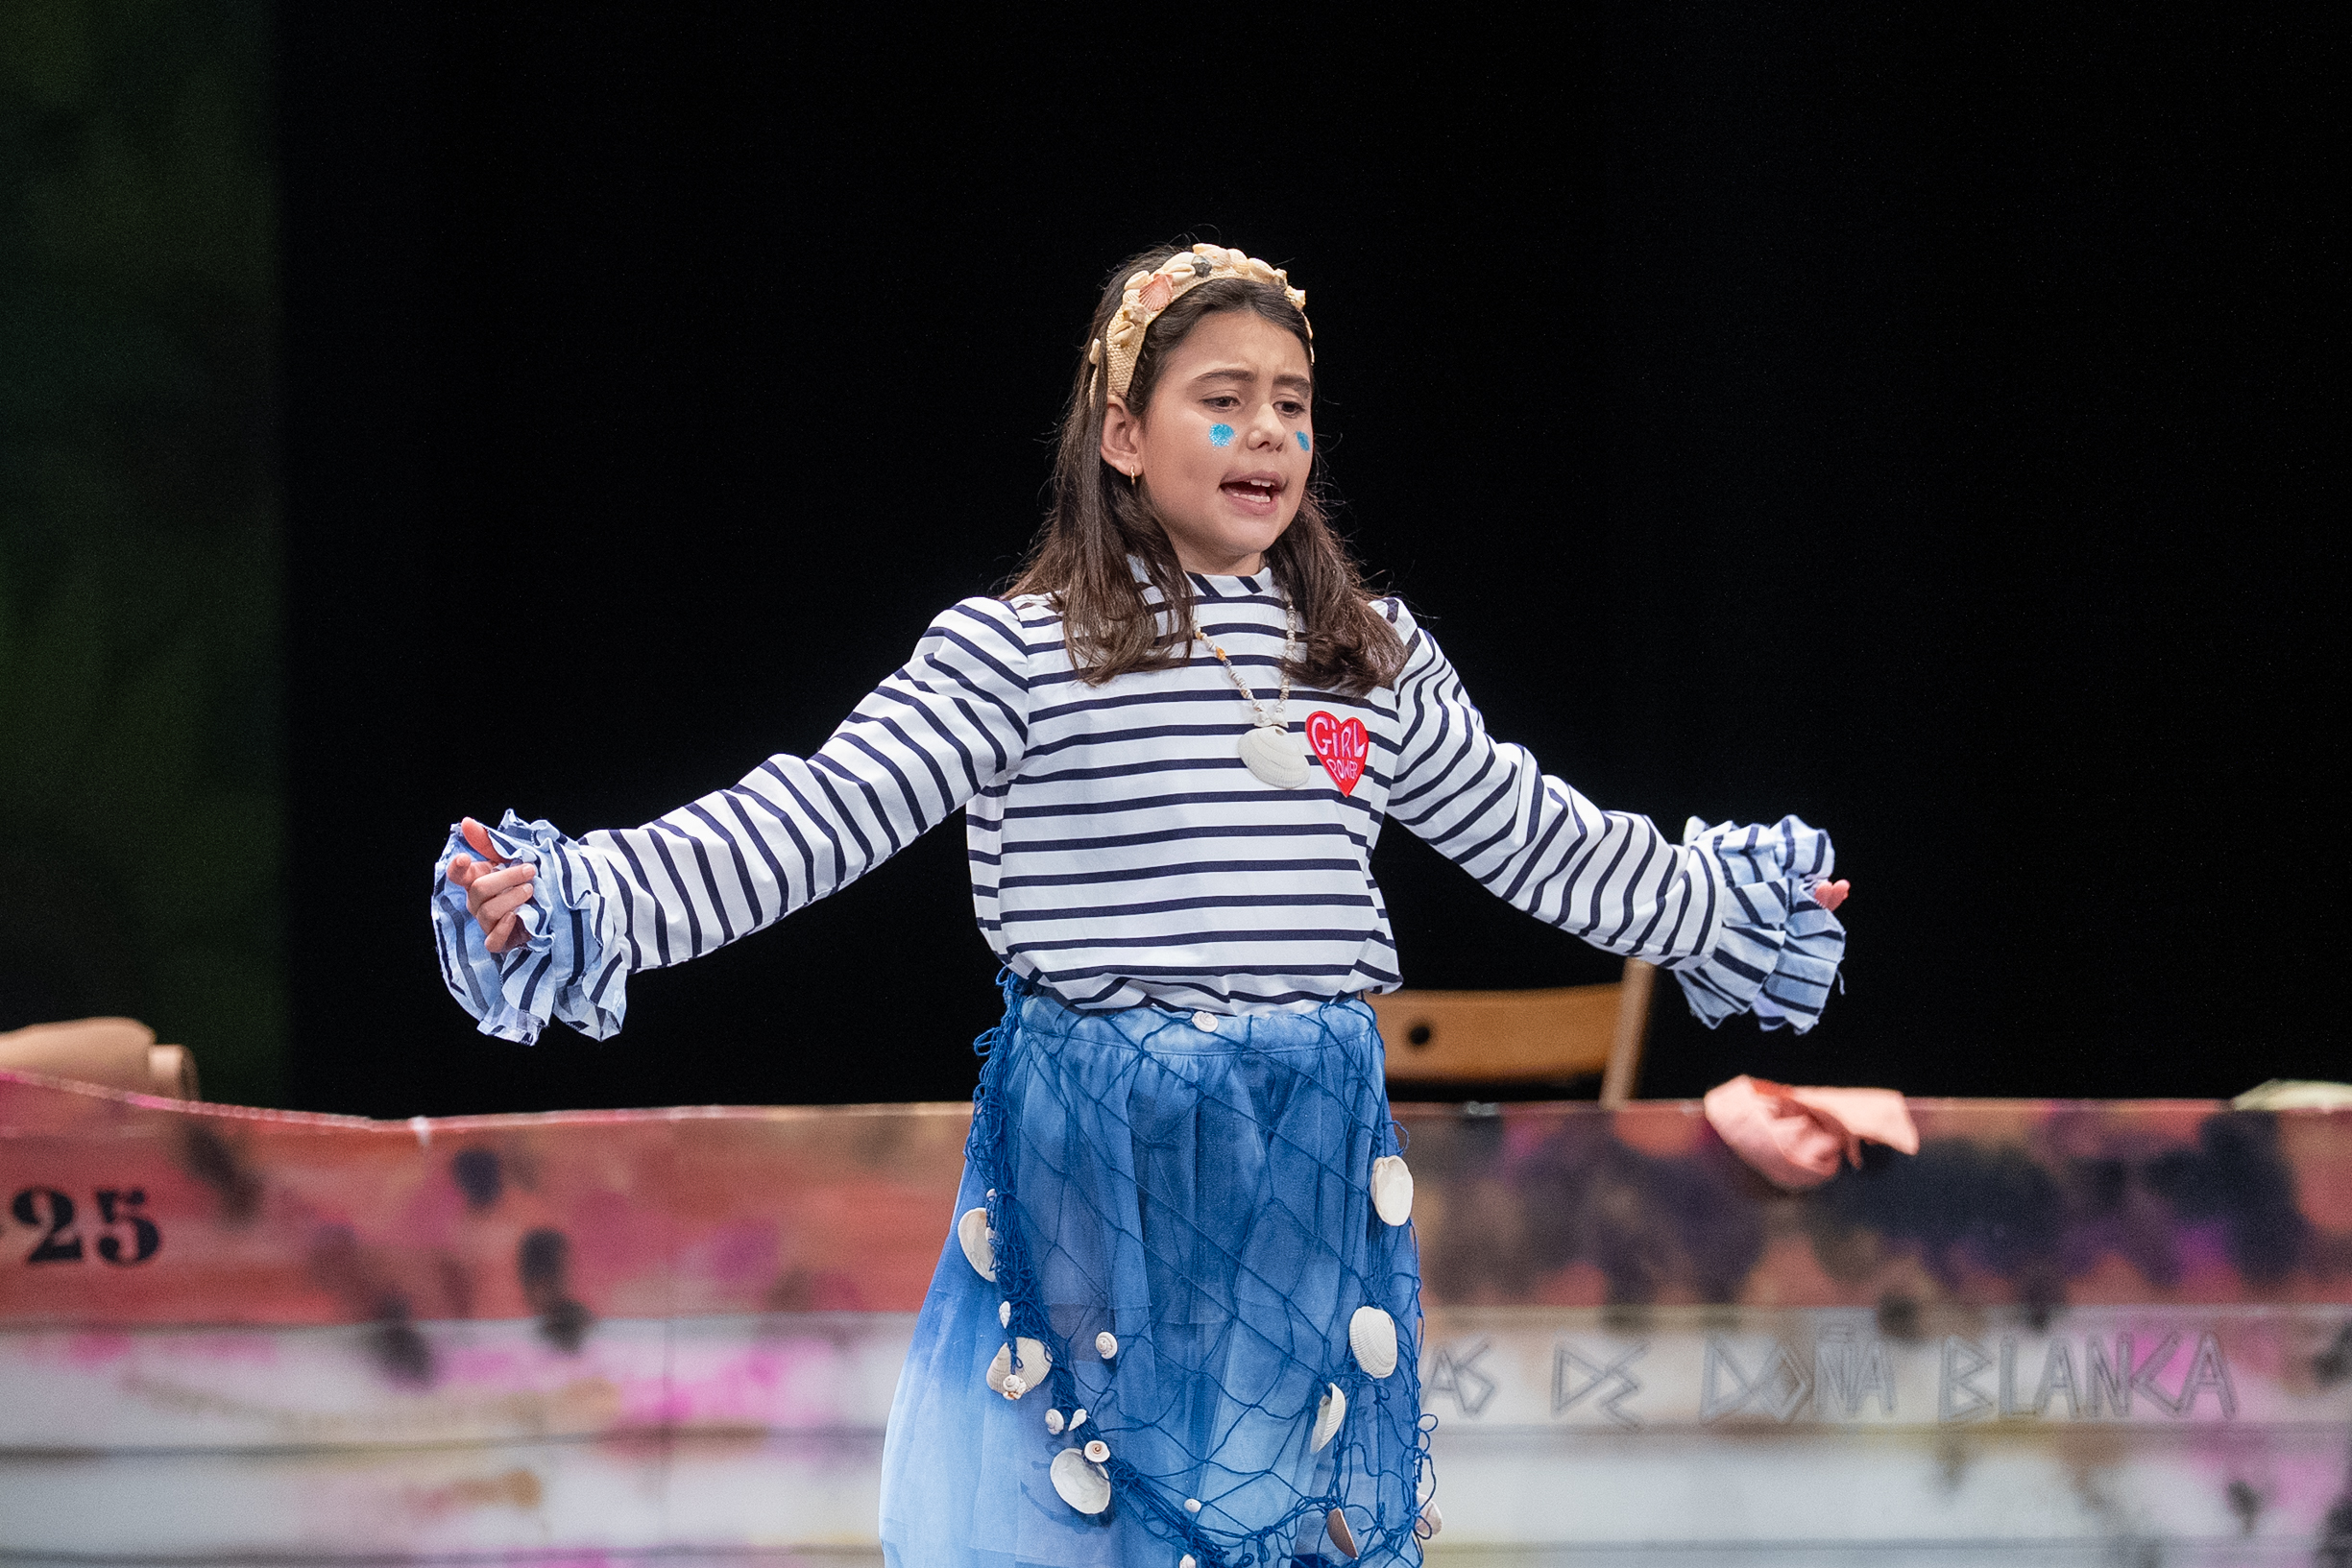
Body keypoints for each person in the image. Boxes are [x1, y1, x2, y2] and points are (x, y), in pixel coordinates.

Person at [434, 242, 1850, 1567]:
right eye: (1221, 401)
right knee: (1070, 1496)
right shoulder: (1019, 653)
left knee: (1276, 1507)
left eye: (1291, 405)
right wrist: (588, 891)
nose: (1269, 435)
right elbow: (813, 814)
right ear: (1122, 434)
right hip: (1100, 1149)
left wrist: (1725, 905)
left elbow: (1536, 835)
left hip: (1297, 1149)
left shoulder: (1366, 655)